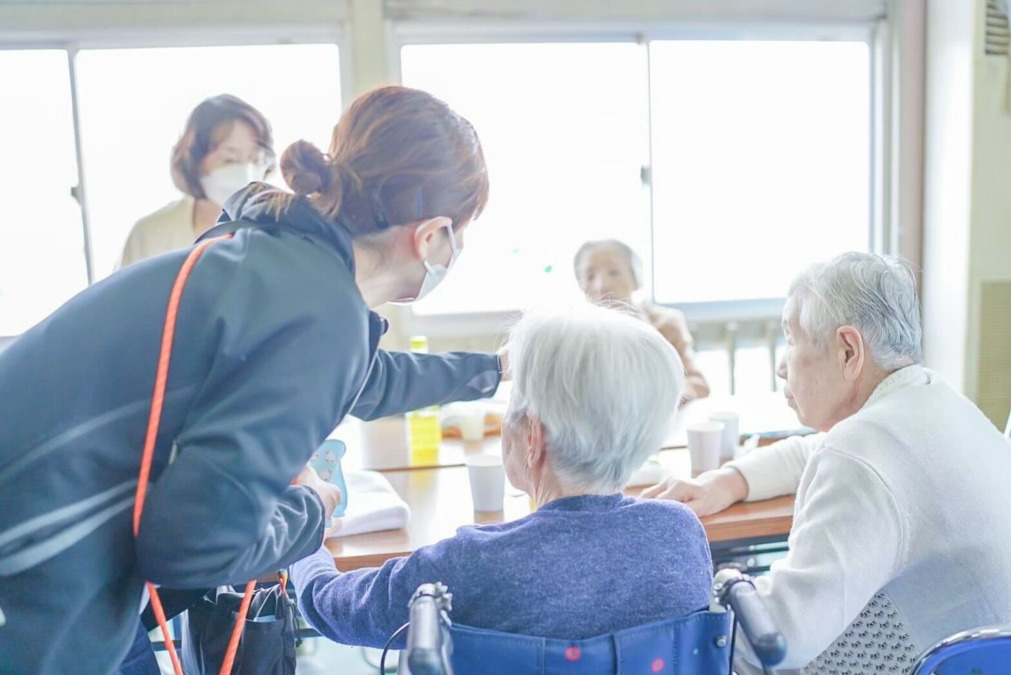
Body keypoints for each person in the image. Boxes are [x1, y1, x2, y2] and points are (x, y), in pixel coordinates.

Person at [0, 86, 504, 674]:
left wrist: (494, 371)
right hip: (33, 580)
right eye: (462, 232)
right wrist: (311, 508)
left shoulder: (275, 253)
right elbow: (191, 548)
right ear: (431, 234)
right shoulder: (317, 309)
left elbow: (363, 380)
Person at [643, 252, 1011, 673]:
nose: (782, 366)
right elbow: (816, 450)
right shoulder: (931, 399)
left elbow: (782, 638)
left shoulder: (861, 451)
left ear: (849, 351)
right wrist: (730, 480)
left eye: (792, 340)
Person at [290, 304, 714, 647]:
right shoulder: (678, 533)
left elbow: (331, 606)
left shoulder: (472, 563)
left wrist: (302, 523)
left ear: (532, 436)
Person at [118, 94, 274, 267]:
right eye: (229, 160)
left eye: (255, 159)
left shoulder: (275, 234)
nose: (246, 172)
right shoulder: (151, 235)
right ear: (195, 162)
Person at [573, 239, 710, 401]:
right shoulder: (575, 338)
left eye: (614, 272)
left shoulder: (666, 325)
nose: (602, 285)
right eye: (590, 276)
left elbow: (698, 384)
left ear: (636, 279)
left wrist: (657, 401)